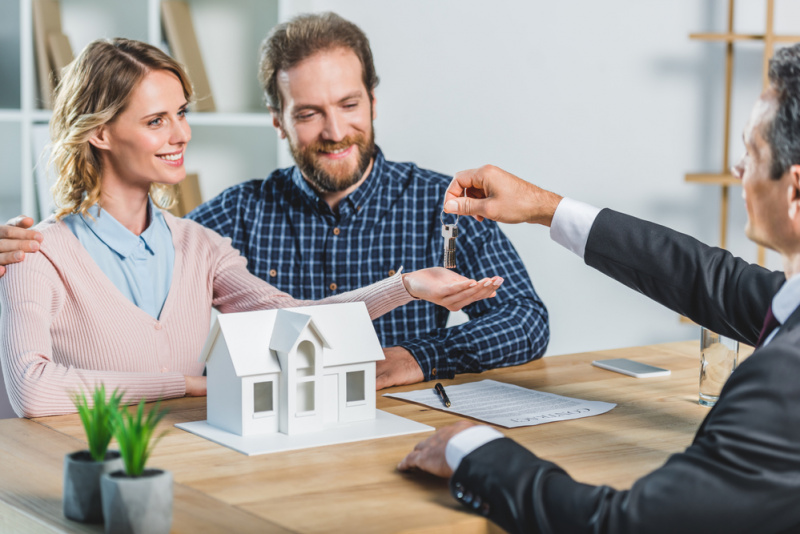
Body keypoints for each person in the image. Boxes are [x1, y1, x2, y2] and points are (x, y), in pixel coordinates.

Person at [0, 12, 549, 391]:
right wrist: (18, 263)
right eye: (308, 113)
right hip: (270, 437)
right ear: (278, 121)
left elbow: (526, 320)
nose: (336, 130)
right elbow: (123, 282)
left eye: (349, 104)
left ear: (373, 103)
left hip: (402, 427)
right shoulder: (233, 216)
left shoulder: (441, 201)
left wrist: (411, 357)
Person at [398, 44, 800, 534]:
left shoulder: (782, 379)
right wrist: (545, 207)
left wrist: (475, 452)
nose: (739, 169)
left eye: (751, 153)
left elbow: (622, 526)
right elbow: (706, 279)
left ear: (794, 190)